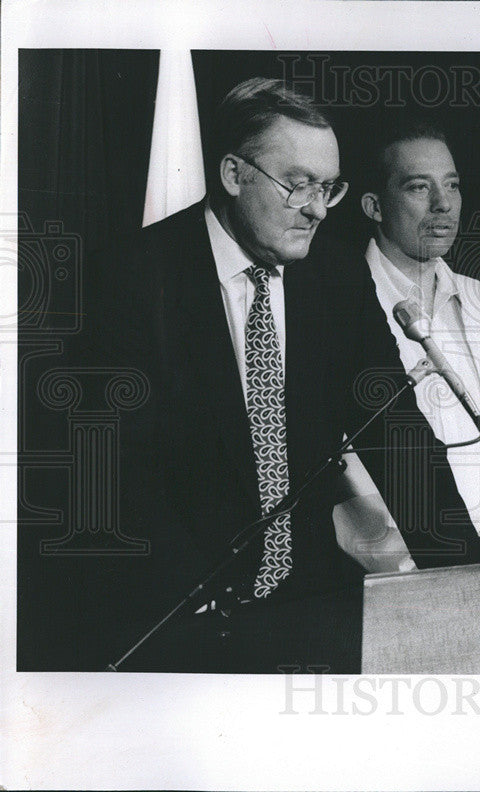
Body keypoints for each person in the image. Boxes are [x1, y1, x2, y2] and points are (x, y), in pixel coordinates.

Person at [76, 78, 365, 672]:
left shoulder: (337, 275)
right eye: (298, 184)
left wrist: (466, 571)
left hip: (310, 608)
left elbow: (395, 419)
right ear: (234, 175)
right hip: (176, 619)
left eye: (328, 188)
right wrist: (196, 601)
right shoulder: (131, 276)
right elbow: (110, 466)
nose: (315, 208)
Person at [339, 118, 480, 566]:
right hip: (398, 574)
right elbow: (354, 466)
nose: (444, 205)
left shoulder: (476, 296)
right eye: (420, 188)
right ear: (374, 205)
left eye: (453, 185)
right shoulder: (345, 305)